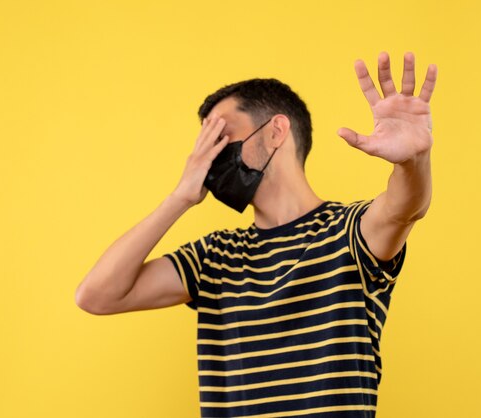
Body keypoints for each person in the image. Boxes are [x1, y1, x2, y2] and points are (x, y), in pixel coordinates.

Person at [75, 51, 438, 418]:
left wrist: (414, 161)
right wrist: (180, 197)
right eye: (204, 144)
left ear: (277, 131)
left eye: (221, 136)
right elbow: (97, 295)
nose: (209, 155)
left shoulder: (348, 232)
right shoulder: (215, 257)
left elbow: (404, 207)